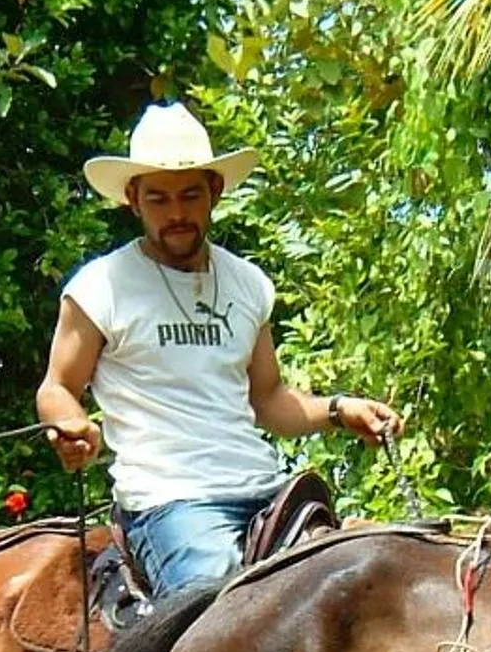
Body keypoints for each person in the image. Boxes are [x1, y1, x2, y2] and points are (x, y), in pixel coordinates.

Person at [37, 101, 401, 597]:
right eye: (160, 199)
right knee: (220, 630)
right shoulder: (101, 287)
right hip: (170, 502)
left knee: (361, 595)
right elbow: (58, 387)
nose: (178, 213)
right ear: (133, 199)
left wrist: (340, 410)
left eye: (190, 195)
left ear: (215, 191)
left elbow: (269, 400)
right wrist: (70, 426)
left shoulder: (247, 283)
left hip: (266, 490)